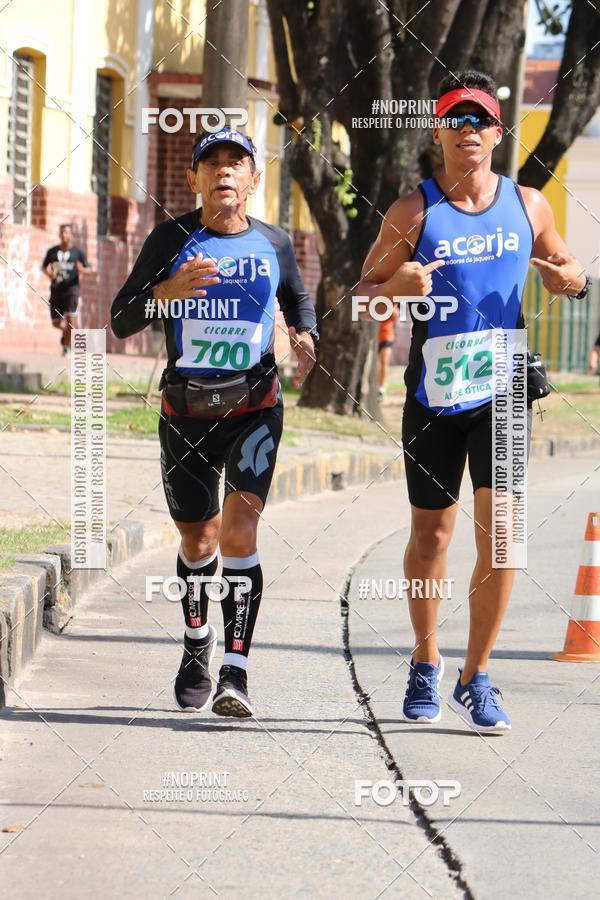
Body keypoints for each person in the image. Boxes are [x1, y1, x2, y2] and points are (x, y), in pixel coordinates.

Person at [357, 71, 589, 733]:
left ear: (497, 132)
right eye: (455, 121)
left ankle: (476, 675)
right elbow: (361, 296)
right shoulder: (414, 212)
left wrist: (572, 280)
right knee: (432, 534)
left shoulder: (529, 205)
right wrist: (395, 285)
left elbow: (569, 270)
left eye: (479, 121)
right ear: (439, 131)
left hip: (506, 388)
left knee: (505, 538)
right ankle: (426, 663)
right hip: (435, 391)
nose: (468, 132)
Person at [111, 129, 318, 717]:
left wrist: (306, 338)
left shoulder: (274, 242)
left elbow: (299, 301)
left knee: (239, 536)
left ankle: (236, 672)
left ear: (254, 180)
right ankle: (197, 640)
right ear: (193, 178)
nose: (225, 172)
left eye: (237, 163)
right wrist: (164, 291)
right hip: (186, 413)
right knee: (198, 541)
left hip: (254, 407)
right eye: (213, 164)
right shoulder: (170, 238)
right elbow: (121, 318)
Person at [42, 224, 91, 354]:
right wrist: (49, 274)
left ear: (71, 235)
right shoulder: (52, 252)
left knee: (71, 318)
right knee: (56, 322)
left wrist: (82, 270)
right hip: (56, 290)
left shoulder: (78, 253)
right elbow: (44, 266)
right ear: (59, 234)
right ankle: (67, 333)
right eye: (62, 232)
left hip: (72, 290)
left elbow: (89, 268)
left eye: (67, 232)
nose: (64, 235)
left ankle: (67, 347)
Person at [377, 305, 399, 401]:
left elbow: (396, 314)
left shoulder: (392, 298)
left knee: (384, 361)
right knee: (376, 363)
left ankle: (381, 388)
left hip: (387, 334)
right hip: (374, 336)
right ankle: (375, 387)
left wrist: (388, 306)